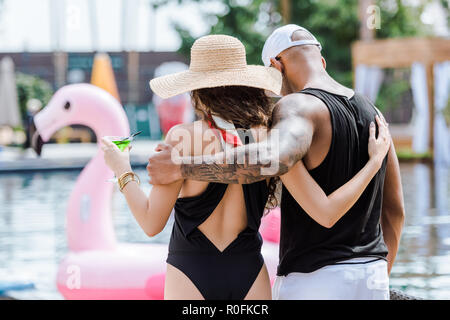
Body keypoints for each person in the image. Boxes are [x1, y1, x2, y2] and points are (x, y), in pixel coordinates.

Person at [102, 34, 391, 300]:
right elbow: (319, 206)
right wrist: (374, 161)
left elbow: (151, 223)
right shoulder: (268, 136)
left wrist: (122, 170)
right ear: (246, 85)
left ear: (197, 89)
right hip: (249, 274)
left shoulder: (183, 137)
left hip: (190, 271)